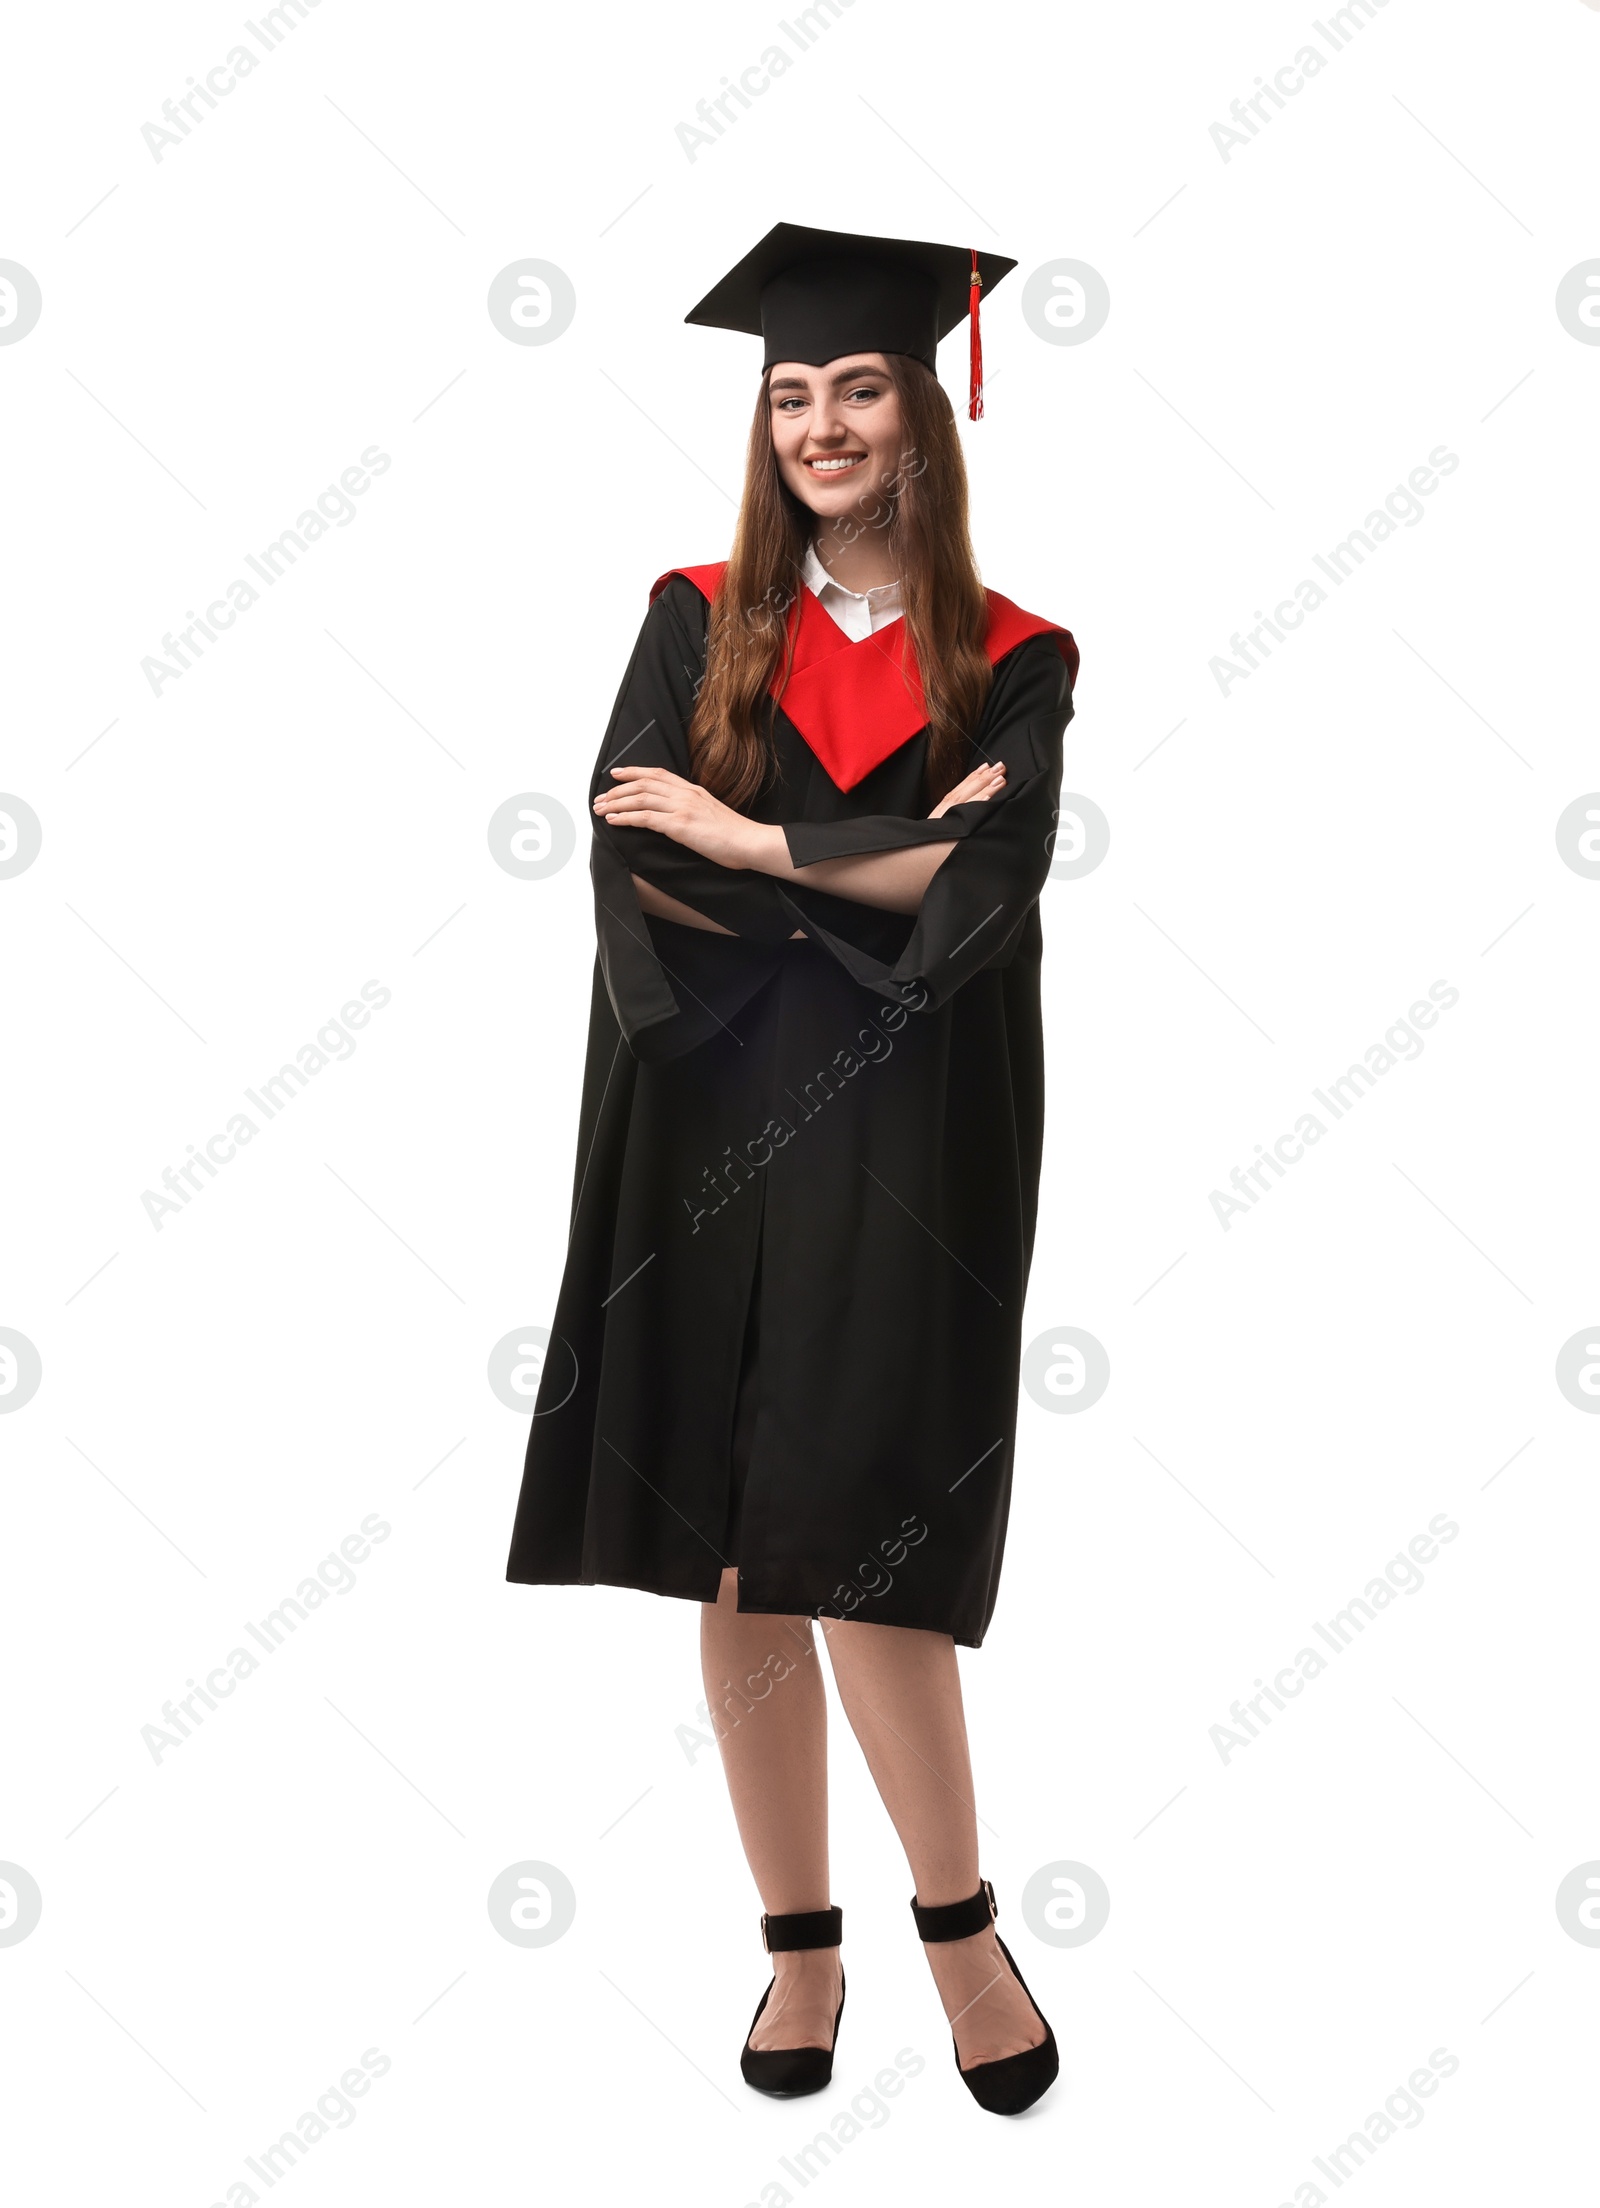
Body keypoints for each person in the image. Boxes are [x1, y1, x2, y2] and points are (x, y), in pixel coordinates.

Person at [506, 222, 1079, 2117]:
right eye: (789, 394)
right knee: (734, 1541)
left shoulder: (1015, 655)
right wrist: (872, 854)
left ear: (924, 411)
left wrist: (755, 848)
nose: (820, 422)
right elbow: (630, 861)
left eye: (854, 386)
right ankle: (796, 1956)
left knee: (874, 1549)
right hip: (703, 1117)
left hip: (919, 1134)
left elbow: (987, 897)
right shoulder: (694, 615)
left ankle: (964, 1931)